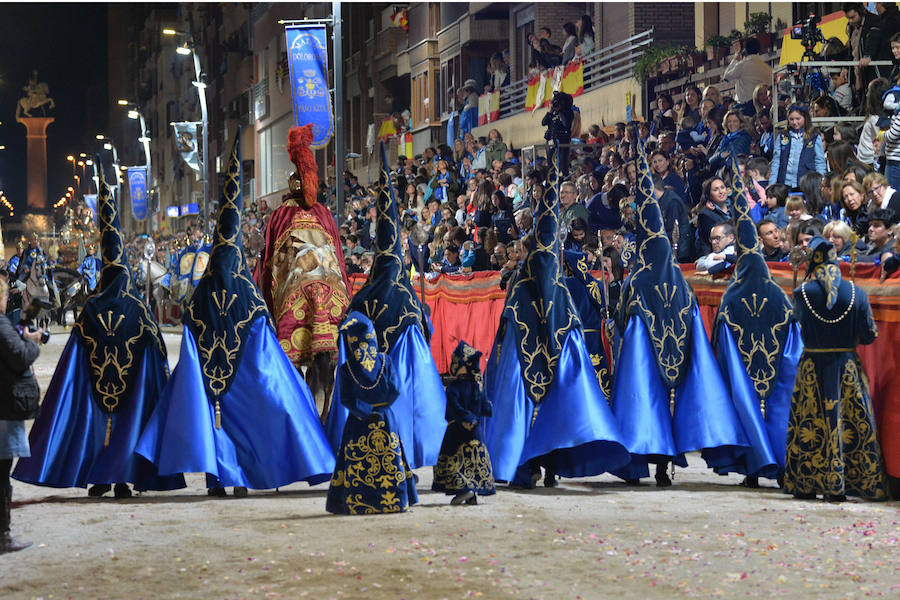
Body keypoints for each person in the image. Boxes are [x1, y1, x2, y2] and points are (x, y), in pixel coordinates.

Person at [136, 131, 336, 497]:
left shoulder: (201, 298)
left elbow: (189, 321)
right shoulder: (249, 296)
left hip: (209, 378)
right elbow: (262, 329)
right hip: (243, 376)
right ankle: (239, 477)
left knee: (215, 418)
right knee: (244, 419)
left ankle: (217, 478)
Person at [14, 160, 184, 500]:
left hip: (95, 388)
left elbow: (73, 356)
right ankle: (122, 478)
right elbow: (158, 349)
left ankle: (100, 477)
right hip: (131, 388)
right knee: (128, 425)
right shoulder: (138, 307)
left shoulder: (90, 308)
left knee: (94, 424)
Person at [484, 149, 630, 489]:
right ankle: (525, 461)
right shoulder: (527, 282)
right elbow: (513, 322)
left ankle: (547, 463)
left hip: (553, 360)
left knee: (556, 406)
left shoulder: (557, 284)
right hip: (526, 360)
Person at [609, 131, 748, 487]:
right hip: (677, 355)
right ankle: (664, 465)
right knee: (666, 401)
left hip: (645, 359)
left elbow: (622, 320)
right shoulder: (679, 282)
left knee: (643, 402)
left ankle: (642, 461)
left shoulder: (636, 280)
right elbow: (691, 323)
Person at [324, 143, 447, 472]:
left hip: (367, 387)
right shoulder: (408, 298)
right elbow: (428, 331)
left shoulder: (364, 295)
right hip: (400, 383)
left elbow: (345, 328)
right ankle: (410, 450)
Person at [711, 164, 803, 488]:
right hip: (776, 369)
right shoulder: (778, 294)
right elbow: (794, 337)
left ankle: (752, 470)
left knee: (747, 410)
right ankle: (781, 469)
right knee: (777, 412)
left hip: (745, 371)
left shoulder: (731, 294)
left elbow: (719, 335)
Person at [784, 236, 890, 502]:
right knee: (850, 421)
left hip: (812, 368)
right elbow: (869, 336)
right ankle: (850, 482)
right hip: (847, 368)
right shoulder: (858, 293)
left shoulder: (801, 293)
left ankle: (808, 482)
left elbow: (793, 323)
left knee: (812, 421)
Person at [254, 125, 351, 398]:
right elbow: (339, 256)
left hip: (295, 287)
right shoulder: (324, 213)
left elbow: (269, 261)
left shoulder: (279, 215)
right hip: (330, 287)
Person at [325, 312, 418, 515]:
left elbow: (347, 399)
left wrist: (366, 411)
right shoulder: (384, 361)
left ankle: (359, 503)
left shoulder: (345, 368)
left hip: (359, 421)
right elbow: (394, 390)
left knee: (359, 462)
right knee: (390, 460)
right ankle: (394, 501)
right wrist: (379, 409)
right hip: (385, 420)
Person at [0, 276, 41, 554]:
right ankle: (3, 536)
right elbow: (19, 356)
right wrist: (34, 343)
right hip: (4, 405)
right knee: (2, 472)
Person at [432, 340, 496, 505]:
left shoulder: (455, 387)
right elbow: (482, 407)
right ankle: (472, 493)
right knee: (473, 459)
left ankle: (465, 490)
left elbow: (456, 407)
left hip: (458, 430)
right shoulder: (476, 385)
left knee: (458, 460)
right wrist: (477, 415)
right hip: (474, 430)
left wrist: (467, 417)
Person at [724, 37, 773, 115]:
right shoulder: (767, 68)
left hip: (746, 107)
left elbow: (726, 77)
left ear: (745, 50)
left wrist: (735, 58)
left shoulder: (742, 65)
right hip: (763, 106)